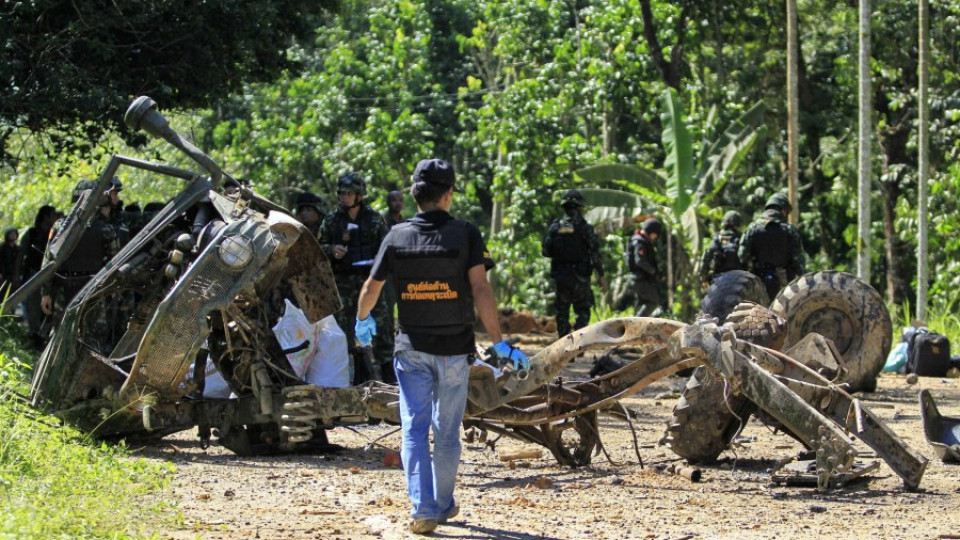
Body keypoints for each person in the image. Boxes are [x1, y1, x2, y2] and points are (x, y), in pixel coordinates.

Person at [354, 158, 528, 535]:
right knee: (447, 433)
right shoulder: (465, 234)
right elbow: (481, 289)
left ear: (416, 195)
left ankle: (424, 507)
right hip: (454, 350)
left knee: (414, 429)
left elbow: (371, 288)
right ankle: (443, 503)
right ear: (448, 194)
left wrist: (362, 320)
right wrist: (498, 343)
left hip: (411, 349)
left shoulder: (396, 235)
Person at [318, 172, 394, 382]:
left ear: (359, 195)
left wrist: (377, 261)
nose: (344, 197)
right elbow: (318, 248)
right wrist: (332, 249)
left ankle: (388, 378)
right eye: (341, 193)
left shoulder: (374, 219)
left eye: (348, 193)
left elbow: (388, 247)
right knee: (343, 334)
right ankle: (349, 379)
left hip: (371, 283)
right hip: (343, 285)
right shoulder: (331, 220)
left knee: (381, 330)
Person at [41, 181, 124, 345]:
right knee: (59, 338)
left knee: (90, 339)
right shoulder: (61, 227)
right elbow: (48, 261)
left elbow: (115, 263)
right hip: (67, 289)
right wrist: (46, 292)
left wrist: (114, 289)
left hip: (91, 289)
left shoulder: (105, 228)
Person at [541, 189, 606, 337]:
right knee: (582, 311)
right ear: (579, 207)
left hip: (561, 277)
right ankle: (579, 345)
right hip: (580, 278)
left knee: (562, 312)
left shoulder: (555, 228)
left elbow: (546, 252)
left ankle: (564, 345)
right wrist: (601, 276)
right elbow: (594, 254)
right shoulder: (585, 229)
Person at [738, 192, 806, 299]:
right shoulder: (789, 230)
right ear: (783, 211)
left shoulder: (752, 228)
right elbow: (798, 261)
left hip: (756, 282)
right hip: (782, 286)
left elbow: (742, 256)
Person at [17, 204, 57, 347]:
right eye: (52, 214)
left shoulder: (55, 232)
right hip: (33, 273)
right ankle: (34, 335)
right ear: (46, 216)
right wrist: (17, 277)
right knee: (32, 306)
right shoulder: (32, 233)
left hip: (49, 275)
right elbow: (21, 255)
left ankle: (45, 334)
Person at [627, 218, 663, 316]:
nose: (655, 237)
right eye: (656, 234)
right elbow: (640, 261)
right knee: (653, 302)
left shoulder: (641, 241)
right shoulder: (640, 242)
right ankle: (636, 324)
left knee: (641, 304)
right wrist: (653, 272)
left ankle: (635, 327)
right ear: (652, 231)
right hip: (640, 279)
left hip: (641, 279)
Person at [700, 210, 743, 286]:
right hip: (737, 280)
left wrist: (704, 277)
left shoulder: (717, 238)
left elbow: (707, 257)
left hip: (718, 280)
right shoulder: (740, 238)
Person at [0, 227, 20, 295]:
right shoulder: (2, 247)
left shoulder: (17, 248)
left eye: (14, 234)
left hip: (13, 275)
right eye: (11, 234)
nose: (13, 236)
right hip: (4, 274)